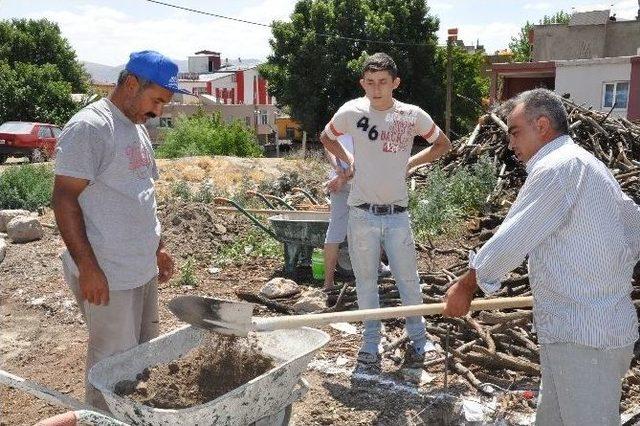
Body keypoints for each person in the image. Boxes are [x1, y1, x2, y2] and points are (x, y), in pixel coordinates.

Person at [443, 88, 640, 425]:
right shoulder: (586, 164)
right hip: (584, 332)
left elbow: (512, 239)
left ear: (543, 125)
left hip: (584, 336)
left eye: (515, 132)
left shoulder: (557, 167)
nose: (510, 144)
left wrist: (466, 285)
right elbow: (633, 224)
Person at [52, 50, 191, 410]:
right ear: (131, 83)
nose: (158, 111)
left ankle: (134, 418)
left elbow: (142, 193)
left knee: (144, 356)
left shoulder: (136, 129)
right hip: (107, 271)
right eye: (156, 100)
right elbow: (64, 200)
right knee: (111, 363)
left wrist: (157, 247)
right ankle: (101, 419)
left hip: (139, 268)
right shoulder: (91, 127)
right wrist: (88, 268)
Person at [320, 52, 452, 369]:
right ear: (363, 83)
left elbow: (443, 144)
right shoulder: (351, 112)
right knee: (366, 281)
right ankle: (370, 345)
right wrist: (348, 163)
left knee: (408, 280)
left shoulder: (411, 115)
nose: (376, 89)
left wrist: (411, 162)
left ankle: (420, 342)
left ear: (395, 83)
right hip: (361, 213)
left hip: (397, 214)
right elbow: (326, 136)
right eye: (370, 82)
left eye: (382, 82)